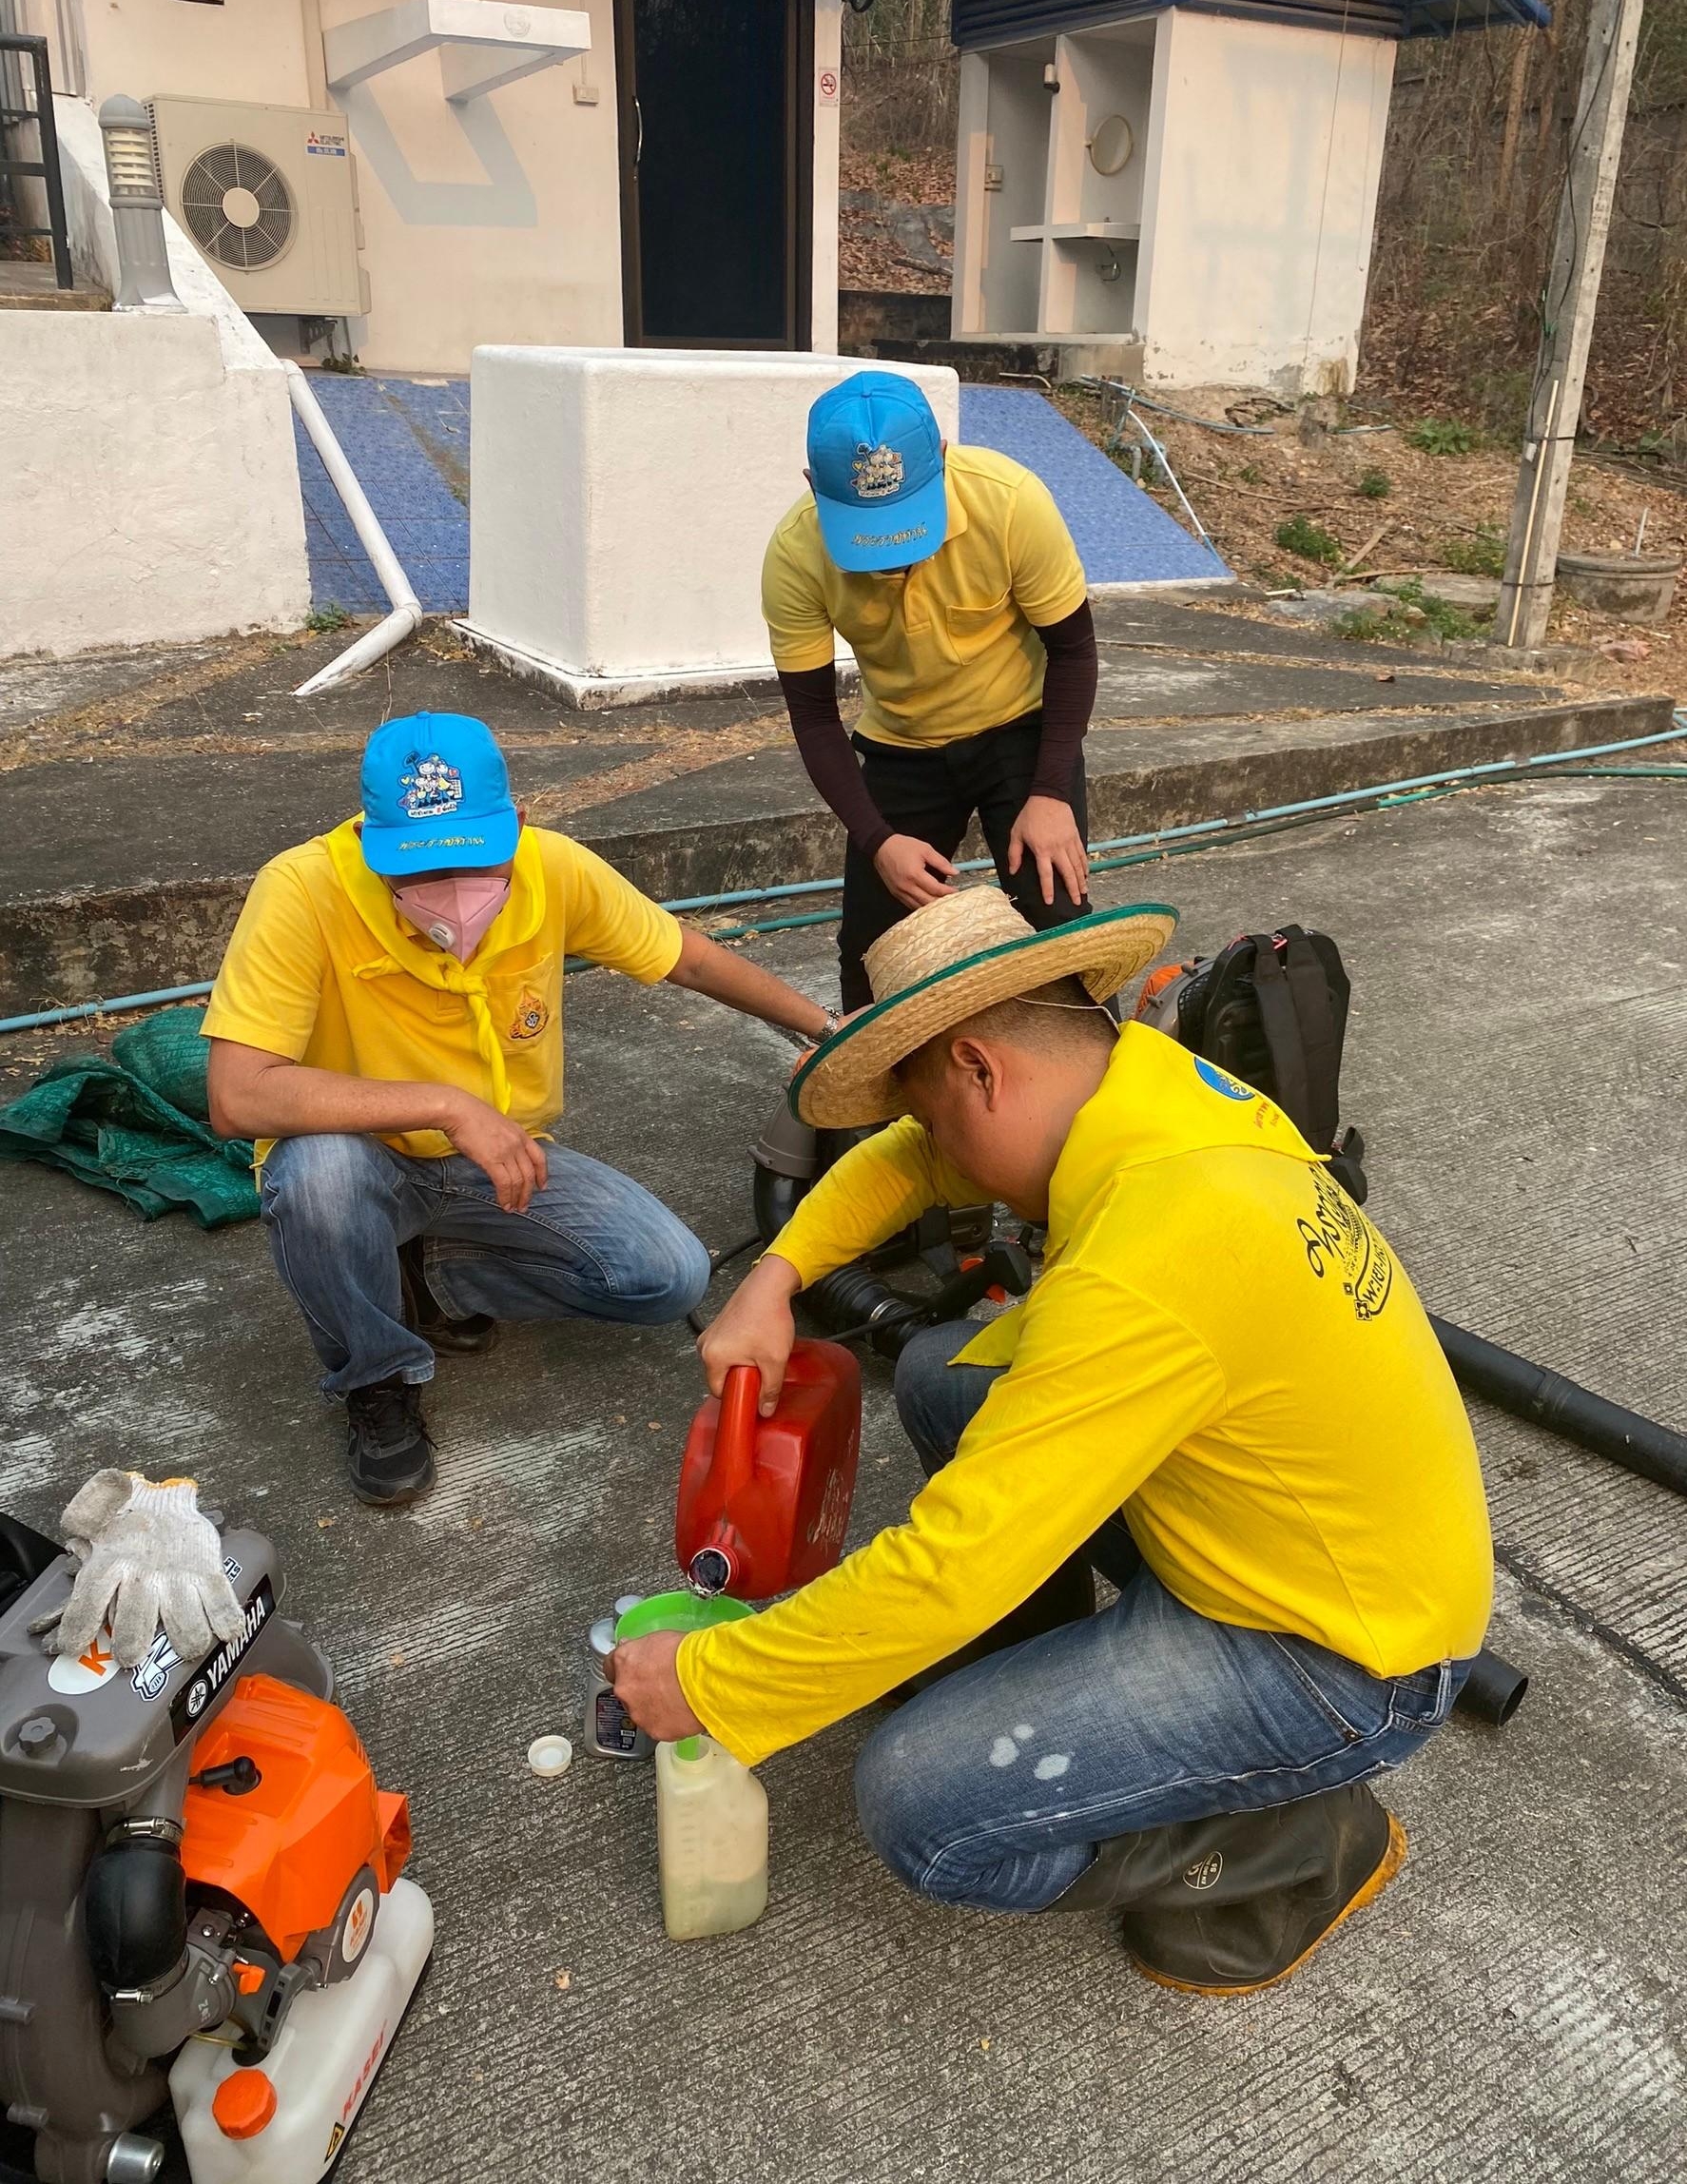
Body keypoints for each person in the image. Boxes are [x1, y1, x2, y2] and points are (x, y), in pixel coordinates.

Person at [609, 887, 1494, 1993]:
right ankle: (1037, 1669)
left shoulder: (1148, 1253)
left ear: (978, 1069)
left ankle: (1306, 1842)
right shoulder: (1146, 1084)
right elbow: (909, 1160)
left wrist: (716, 1681)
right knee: (945, 1374)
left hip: (1341, 1661)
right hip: (1287, 1539)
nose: (936, 1150)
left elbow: (957, 1560)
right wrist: (775, 1276)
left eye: (937, 1116)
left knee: (920, 1805)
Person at [203, 711, 834, 1508]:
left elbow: (692, 960)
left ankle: (424, 1279)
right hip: (361, 1155)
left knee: (666, 1277)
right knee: (317, 1180)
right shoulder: (301, 888)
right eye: (417, 869)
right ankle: (377, 1376)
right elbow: (237, 1093)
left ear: (519, 825)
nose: (450, 892)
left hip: (493, 1159)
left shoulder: (554, 869)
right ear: (368, 841)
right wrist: (445, 1104)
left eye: (474, 859)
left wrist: (824, 1028)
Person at [763, 369, 1099, 1013]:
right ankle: (879, 1081)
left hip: (1021, 728)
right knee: (872, 952)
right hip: (903, 745)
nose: (894, 556)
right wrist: (877, 840)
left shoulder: (1010, 501)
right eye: (868, 531)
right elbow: (814, 716)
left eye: (906, 521)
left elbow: (1074, 649)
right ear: (813, 485)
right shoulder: (795, 552)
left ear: (942, 456)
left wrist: (1051, 793)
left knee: (1058, 923)